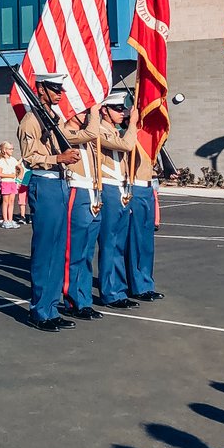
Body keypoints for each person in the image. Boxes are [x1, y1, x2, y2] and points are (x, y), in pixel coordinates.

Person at [17, 74, 98, 333]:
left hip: (61, 183)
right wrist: (58, 158)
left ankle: (52, 307)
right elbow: (30, 157)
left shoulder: (53, 118)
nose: (60, 93)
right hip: (46, 182)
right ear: (40, 89)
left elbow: (71, 137)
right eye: (54, 88)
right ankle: (39, 311)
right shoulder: (31, 120)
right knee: (45, 250)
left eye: (61, 88)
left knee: (58, 248)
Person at [93, 92, 142, 310]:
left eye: (123, 110)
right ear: (104, 110)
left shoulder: (115, 130)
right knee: (110, 243)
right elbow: (126, 146)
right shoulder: (99, 132)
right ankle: (110, 292)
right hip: (109, 189)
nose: (122, 113)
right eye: (117, 109)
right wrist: (133, 124)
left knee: (119, 245)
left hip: (122, 188)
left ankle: (119, 289)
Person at [59, 113, 105, 322]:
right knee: (74, 250)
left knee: (87, 252)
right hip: (77, 191)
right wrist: (96, 112)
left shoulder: (89, 138)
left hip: (94, 192)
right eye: (84, 110)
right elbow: (88, 133)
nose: (88, 114)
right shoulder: (66, 133)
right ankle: (73, 300)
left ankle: (84, 299)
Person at [127, 139, 166, 303]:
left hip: (148, 187)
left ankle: (146, 283)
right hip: (134, 186)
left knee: (146, 243)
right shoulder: (128, 136)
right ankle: (137, 286)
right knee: (135, 242)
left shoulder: (149, 138)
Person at [0, 142, 24, 229]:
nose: (12, 150)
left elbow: (20, 168)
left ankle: (10, 220)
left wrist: (20, 175)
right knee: (5, 202)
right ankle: (5, 220)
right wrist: (10, 175)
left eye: (12, 149)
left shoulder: (13, 159)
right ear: (5, 150)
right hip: (5, 182)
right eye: (10, 149)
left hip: (12, 183)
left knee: (11, 201)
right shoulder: (2, 161)